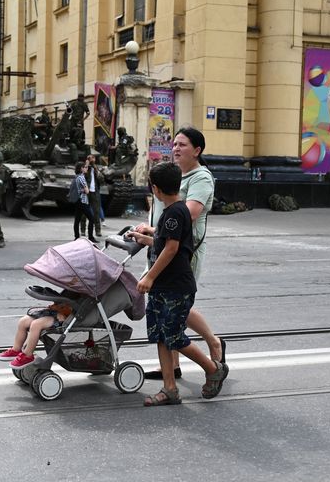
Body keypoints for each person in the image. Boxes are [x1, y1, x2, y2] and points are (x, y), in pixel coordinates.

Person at [126, 162, 229, 405]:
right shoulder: (174, 211)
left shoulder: (173, 213)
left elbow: (171, 249)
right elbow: (165, 243)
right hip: (164, 285)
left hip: (175, 286)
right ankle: (170, 389)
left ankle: (212, 368)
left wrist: (149, 276)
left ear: (155, 189)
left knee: (173, 336)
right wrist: (145, 239)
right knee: (161, 335)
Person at [144, 127, 225, 379]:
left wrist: (155, 230)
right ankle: (172, 366)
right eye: (175, 144)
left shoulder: (201, 177)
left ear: (197, 150)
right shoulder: (172, 174)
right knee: (171, 304)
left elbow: (189, 214)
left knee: (176, 302)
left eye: (183, 145)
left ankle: (213, 342)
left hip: (183, 250)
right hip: (161, 241)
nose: (176, 149)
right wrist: (148, 230)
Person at [0, 302, 73, 369]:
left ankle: (27, 355)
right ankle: (16, 349)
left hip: (65, 317)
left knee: (36, 325)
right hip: (55, 311)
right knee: (23, 321)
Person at [73, 161, 98, 243]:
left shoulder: (76, 177)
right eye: (85, 167)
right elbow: (87, 191)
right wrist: (85, 188)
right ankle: (90, 237)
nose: (87, 169)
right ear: (81, 169)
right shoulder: (81, 177)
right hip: (83, 201)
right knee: (91, 219)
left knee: (77, 220)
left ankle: (76, 237)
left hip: (78, 200)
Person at [79, 154, 102, 237]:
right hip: (86, 192)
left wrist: (95, 168)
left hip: (95, 192)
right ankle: (82, 230)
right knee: (84, 212)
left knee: (96, 212)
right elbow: (81, 175)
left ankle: (98, 231)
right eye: (90, 158)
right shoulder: (85, 168)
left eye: (93, 158)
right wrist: (87, 165)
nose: (92, 160)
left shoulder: (96, 168)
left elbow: (101, 179)